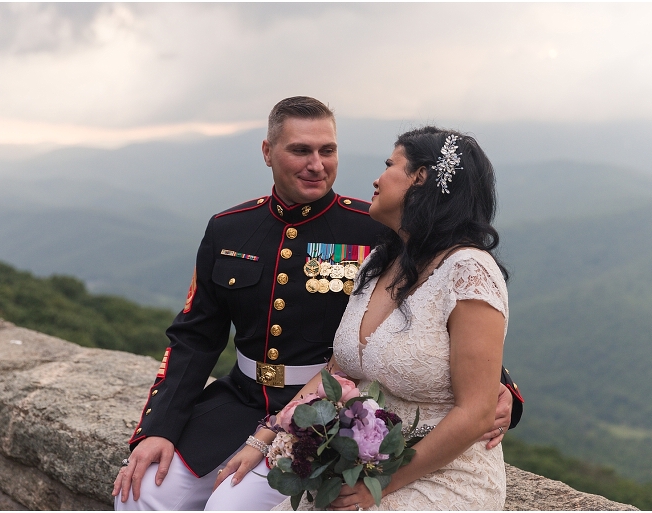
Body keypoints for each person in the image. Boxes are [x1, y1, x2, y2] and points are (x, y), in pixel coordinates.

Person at [112, 98, 522, 511]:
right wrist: (158, 427)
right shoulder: (229, 229)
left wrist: (500, 387)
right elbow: (194, 338)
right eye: (300, 150)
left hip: (334, 417)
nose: (317, 164)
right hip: (240, 404)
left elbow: (440, 312)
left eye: (328, 151)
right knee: (141, 493)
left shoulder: (377, 228)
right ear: (268, 152)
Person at [220, 126, 511, 510]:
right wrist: (268, 436)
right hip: (363, 466)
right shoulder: (378, 262)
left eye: (391, 164)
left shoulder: (470, 271)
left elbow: (475, 414)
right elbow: (337, 372)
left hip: (443, 475)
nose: (377, 177)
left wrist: (379, 484)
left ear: (420, 178)